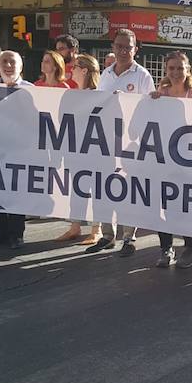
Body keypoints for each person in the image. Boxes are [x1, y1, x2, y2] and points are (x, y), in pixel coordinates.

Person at [86, 29, 154, 257]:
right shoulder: (105, 74)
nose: (123, 51)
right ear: (113, 47)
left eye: (128, 47)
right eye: (119, 46)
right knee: (102, 189)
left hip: (129, 142)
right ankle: (107, 235)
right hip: (104, 140)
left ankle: (129, 237)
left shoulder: (142, 76)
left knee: (128, 191)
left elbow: (150, 109)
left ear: (136, 49)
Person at [150, 52, 192, 269]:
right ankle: (166, 248)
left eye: (180, 68)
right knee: (162, 203)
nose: (175, 73)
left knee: (186, 205)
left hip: (187, 159)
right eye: (172, 68)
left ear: (188, 70)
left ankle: (191, 247)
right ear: (166, 69)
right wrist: (151, 102)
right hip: (163, 158)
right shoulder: (161, 94)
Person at [0, 51, 33, 250]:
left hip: (20, 152)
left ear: (20, 67)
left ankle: (16, 234)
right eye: (4, 61)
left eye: (13, 62)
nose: (8, 65)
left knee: (17, 196)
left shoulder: (31, 90)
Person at [54, 54, 103, 244]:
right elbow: (62, 120)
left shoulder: (101, 96)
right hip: (74, 150)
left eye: (74, 66)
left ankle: (96, 229)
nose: (71, 69)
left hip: (95, 152)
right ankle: (74, 227)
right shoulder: (69, 94)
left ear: (84, 70)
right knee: (76, 189)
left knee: (97, 190)